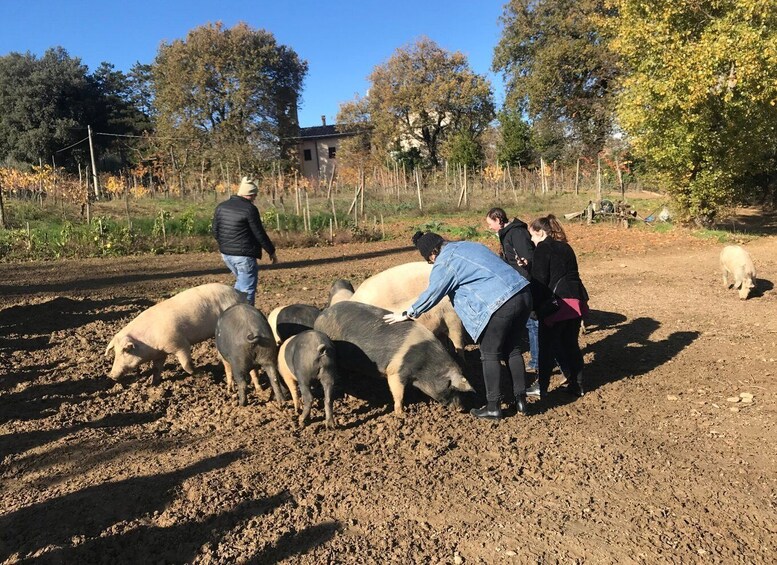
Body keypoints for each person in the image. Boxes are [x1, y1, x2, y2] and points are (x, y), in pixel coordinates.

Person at [384, 231, 532, 420]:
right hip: (522, 292)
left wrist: (407, 313)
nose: (432, 263)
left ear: (432, 253)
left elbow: (433, 293)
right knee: (512, 349)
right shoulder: (470, 245)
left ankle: (494, 406)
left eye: (429, 260)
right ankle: (521, 401)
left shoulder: (445, 261)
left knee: (489, 354)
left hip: (499, 303)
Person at [527, 215, 588, 399]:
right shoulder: (566, 247)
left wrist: (534, 308)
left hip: (558, 304)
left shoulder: (543, 248)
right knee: (571, 345)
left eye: (533, 235)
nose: (531, 240)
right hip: (576, 301)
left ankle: (541, 387)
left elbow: (539, 281)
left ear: (541, 232)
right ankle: (578, 385)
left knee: (546, 348)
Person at [485, 207, 539, 372]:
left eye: (490, 223)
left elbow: (528, 259)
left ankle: (538, 361)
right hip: (518, 283)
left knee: (533, 323)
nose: (490, 227)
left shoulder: (516, 233)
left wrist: (524, 277)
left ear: (498, 220)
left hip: (525, 283)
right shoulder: (508, 233)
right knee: (530, 323)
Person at [212, 177, 278, 306]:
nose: (255, 198)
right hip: (244, 257)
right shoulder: (249, 209)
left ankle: (232, 310)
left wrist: (224, 245)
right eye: (255, 195)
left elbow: (215, 230)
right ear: (251, 195)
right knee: (247, 290)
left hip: (227, 255)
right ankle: (243, 317)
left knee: (241, 285)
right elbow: (259, 233)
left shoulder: (221, 207)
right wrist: (271, 251)